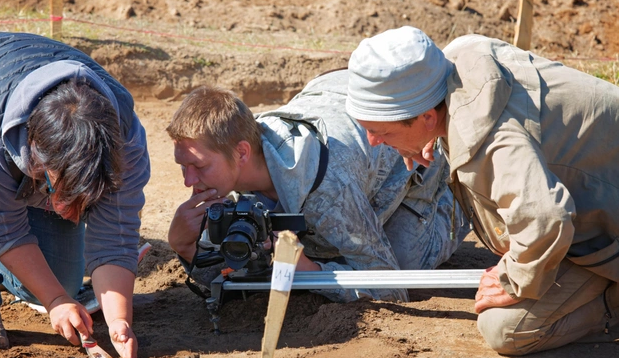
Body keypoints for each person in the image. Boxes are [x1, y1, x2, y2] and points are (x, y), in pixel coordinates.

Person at [344, 25, 619, 355]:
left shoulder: (493, 142)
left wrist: (515, 279)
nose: (373, 141)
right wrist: (433, 140)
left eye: (380, 131)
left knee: (506, 329)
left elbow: (546, 217)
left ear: (428, 117)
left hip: (601, 225)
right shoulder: (459, 63)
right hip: (600, 197)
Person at [166, 69, 470, 303]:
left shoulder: (329, 188)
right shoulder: (226, 153)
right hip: (335, 99)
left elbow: (388, 286)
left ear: (242, 153)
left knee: (404, 264)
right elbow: (230, 275)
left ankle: (465, 196)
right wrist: (185, 247)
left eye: (199, 167)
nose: (188, 181)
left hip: (409, 152)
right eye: (184, 166)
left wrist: (307, 271)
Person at [0, 31, 150, 358]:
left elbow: (115, 235)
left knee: (61, 278)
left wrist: (119, 321)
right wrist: (53, 301)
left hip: (21, 140)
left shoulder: (126, 140)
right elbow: (4, 230)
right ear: (37, 156)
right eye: (64, 191)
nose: (73, 213)